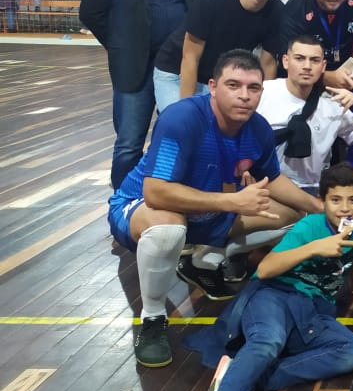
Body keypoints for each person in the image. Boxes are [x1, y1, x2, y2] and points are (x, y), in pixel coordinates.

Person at [108, 50, 324, 367]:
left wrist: (320, 208)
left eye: (253, 88)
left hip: (206, 213)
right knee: (168, 228)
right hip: (142, 209)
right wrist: (231, 202)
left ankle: (207, 259)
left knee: (291, 216)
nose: (244, 96)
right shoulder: (183, 118)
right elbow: (156, 193)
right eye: (233, 85)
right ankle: (153, 318)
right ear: (212, 86)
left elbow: (273, 181)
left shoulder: (258, 128)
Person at [172, 163, 353, 391]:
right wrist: (314, 247)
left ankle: (240, 376)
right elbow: (265, 270)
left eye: (352, 200)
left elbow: (352, 258)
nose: (344, 208)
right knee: (267, 341)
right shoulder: (309, 228)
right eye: (336, 200)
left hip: (312, 312)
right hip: (273, 295)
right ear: (322, 201)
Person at [80, 0, 204, 188]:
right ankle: (122, 204)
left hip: (177, 68)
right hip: (133, 68)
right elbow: (91, 12)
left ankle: (173, 200)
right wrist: (121, 43)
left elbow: (200, 13)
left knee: (180, 136)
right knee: (129, 142)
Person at [153, 0, 285, 110]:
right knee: (182, 126)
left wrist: (262, 107)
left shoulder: (277, 11)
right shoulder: (210, 0)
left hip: (220, 79)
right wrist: (185, 111)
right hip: (176, 72)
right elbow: (190, 58)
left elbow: (268, 64)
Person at [257, 36, 353, 193]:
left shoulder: (334, 107)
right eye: (299, 58)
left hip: (311, 189)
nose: (307, 66)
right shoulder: (262, 92)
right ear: (285, 61)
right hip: (264, 183)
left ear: (323, 66)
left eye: (314, 60)